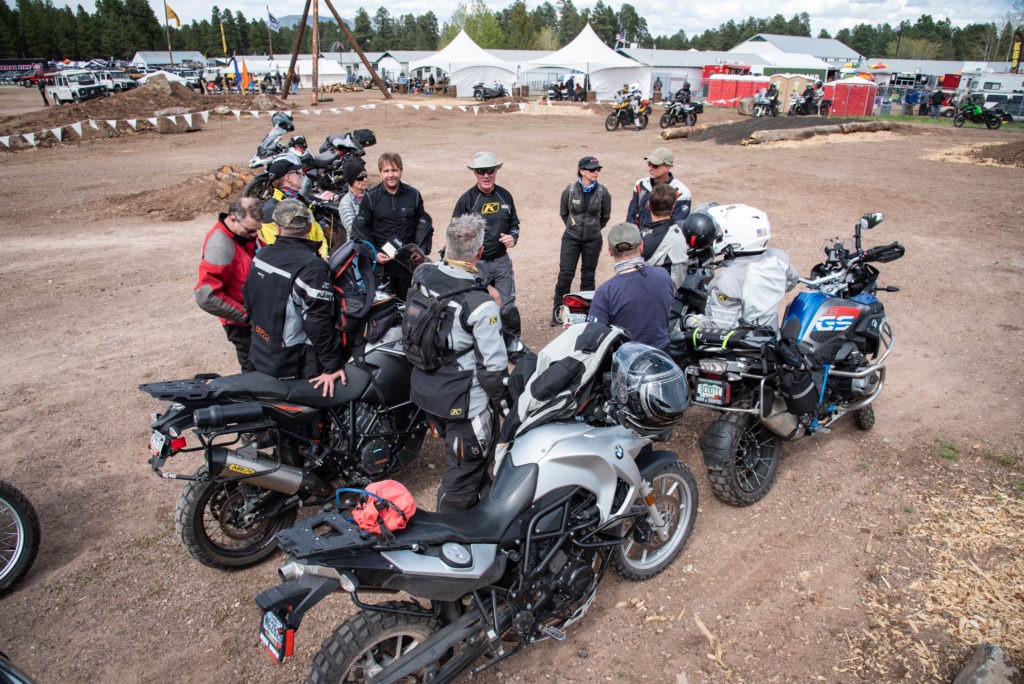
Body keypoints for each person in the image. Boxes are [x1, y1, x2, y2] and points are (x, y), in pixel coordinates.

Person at [408, 214, 508, 512]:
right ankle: (449, 537)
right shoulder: (481, 305)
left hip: (426, 390)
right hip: (464, 403)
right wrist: (508, 405)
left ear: (445, 246)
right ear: (479, 253)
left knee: (462, 463)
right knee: (463, 475)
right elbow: (493, 370)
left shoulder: (422, 274)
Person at [244, 199, 347, 395]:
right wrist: (332, 365)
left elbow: (248, 299)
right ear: (309, 227)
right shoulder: (313, 268)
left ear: (277, 228)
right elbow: (318, 322)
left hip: (259, 350)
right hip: (294, 362)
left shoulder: (261, 256)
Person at [683, 205, 799, 332]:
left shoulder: (728, 280)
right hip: (771, 334)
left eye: (722, 234)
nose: (717, 238)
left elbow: (720, 325)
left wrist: (691, 320)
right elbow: (791, 281)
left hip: (742, 346)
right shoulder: (779, 258)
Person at [452, 152, 522, 337]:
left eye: (490, 170)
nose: (486, 175)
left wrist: (513, 237)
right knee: (480, 306)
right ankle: (483, 343)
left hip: (501, 260)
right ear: (475, 173)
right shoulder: (466, 200)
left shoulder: (504, 196)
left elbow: (514, 223)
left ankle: (512, 344)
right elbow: (454, 232)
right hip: (476, 264)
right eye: (481, 171)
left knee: (507, 305)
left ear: (496, 171)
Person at [351, 152, 433, 300]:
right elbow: (359, 230)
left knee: (409, 307)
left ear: (401, 171)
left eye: (394, 170)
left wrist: (420, 251)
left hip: (408, 267)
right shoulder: (370, 197)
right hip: (382, 268)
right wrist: (374, 254)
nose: (391, 175)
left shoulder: (413, 195)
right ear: (380, 173)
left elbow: (424, 225)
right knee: (384, 311)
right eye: (386, 171)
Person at [194, 197, 263, 372]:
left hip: (256, 316)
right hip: (242, 323)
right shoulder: (220, 248)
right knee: (254, 369)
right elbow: (206, 296)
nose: (255, 235)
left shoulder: (244, 235)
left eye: (258, 230)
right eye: (250, 230)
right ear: (233, 219)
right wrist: (246, 317)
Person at [589, 222, 674, 350]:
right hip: (663, 358)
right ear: (641, 246)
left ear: (610, 251)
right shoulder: (663, 275)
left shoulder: (605, 292)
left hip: (626, 363)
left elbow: (593, 339)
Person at [550, 155, 612, 326]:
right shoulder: (569, 190)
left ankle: (586, 315)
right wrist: (574, 227)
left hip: (593, 239)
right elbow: (564, 213)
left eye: (598, 169)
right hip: (571, 238)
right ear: (582, 170)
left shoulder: (603, 192)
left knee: (588, 275)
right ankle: (558, 312)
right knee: (565, 275)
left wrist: (593, 229)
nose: (596, 172)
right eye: (592, 170)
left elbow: (605, 216)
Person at [260, 157, 329, 258]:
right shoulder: (271, 210)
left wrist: (323, 255)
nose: (300, 175)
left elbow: (318, 234)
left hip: (314, 259)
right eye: (296, 172)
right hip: (298, 265)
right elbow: (279, 249)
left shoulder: (301, 201)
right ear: (288, 177)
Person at [626, 147, 692, 232]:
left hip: (664, 242)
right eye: (649, 163)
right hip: (640, 241)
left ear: (667, 168)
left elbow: (678, 226)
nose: (650, 168)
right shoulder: (640, 185)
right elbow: (631, 216)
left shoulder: (682, 193)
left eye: (655, 165)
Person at [641, 183, 690, 290]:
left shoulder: (648, 240)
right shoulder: (681, 232)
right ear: (673, 207)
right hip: (673, 290)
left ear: (648, 205)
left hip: (655, 295)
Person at [338, 156, 368, 239]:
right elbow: (353, 229)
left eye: (365, 176)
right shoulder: (345, 202)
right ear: (351, 180)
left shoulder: (372, 195)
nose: (365, 179)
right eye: (360, 178)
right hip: (358, 245)